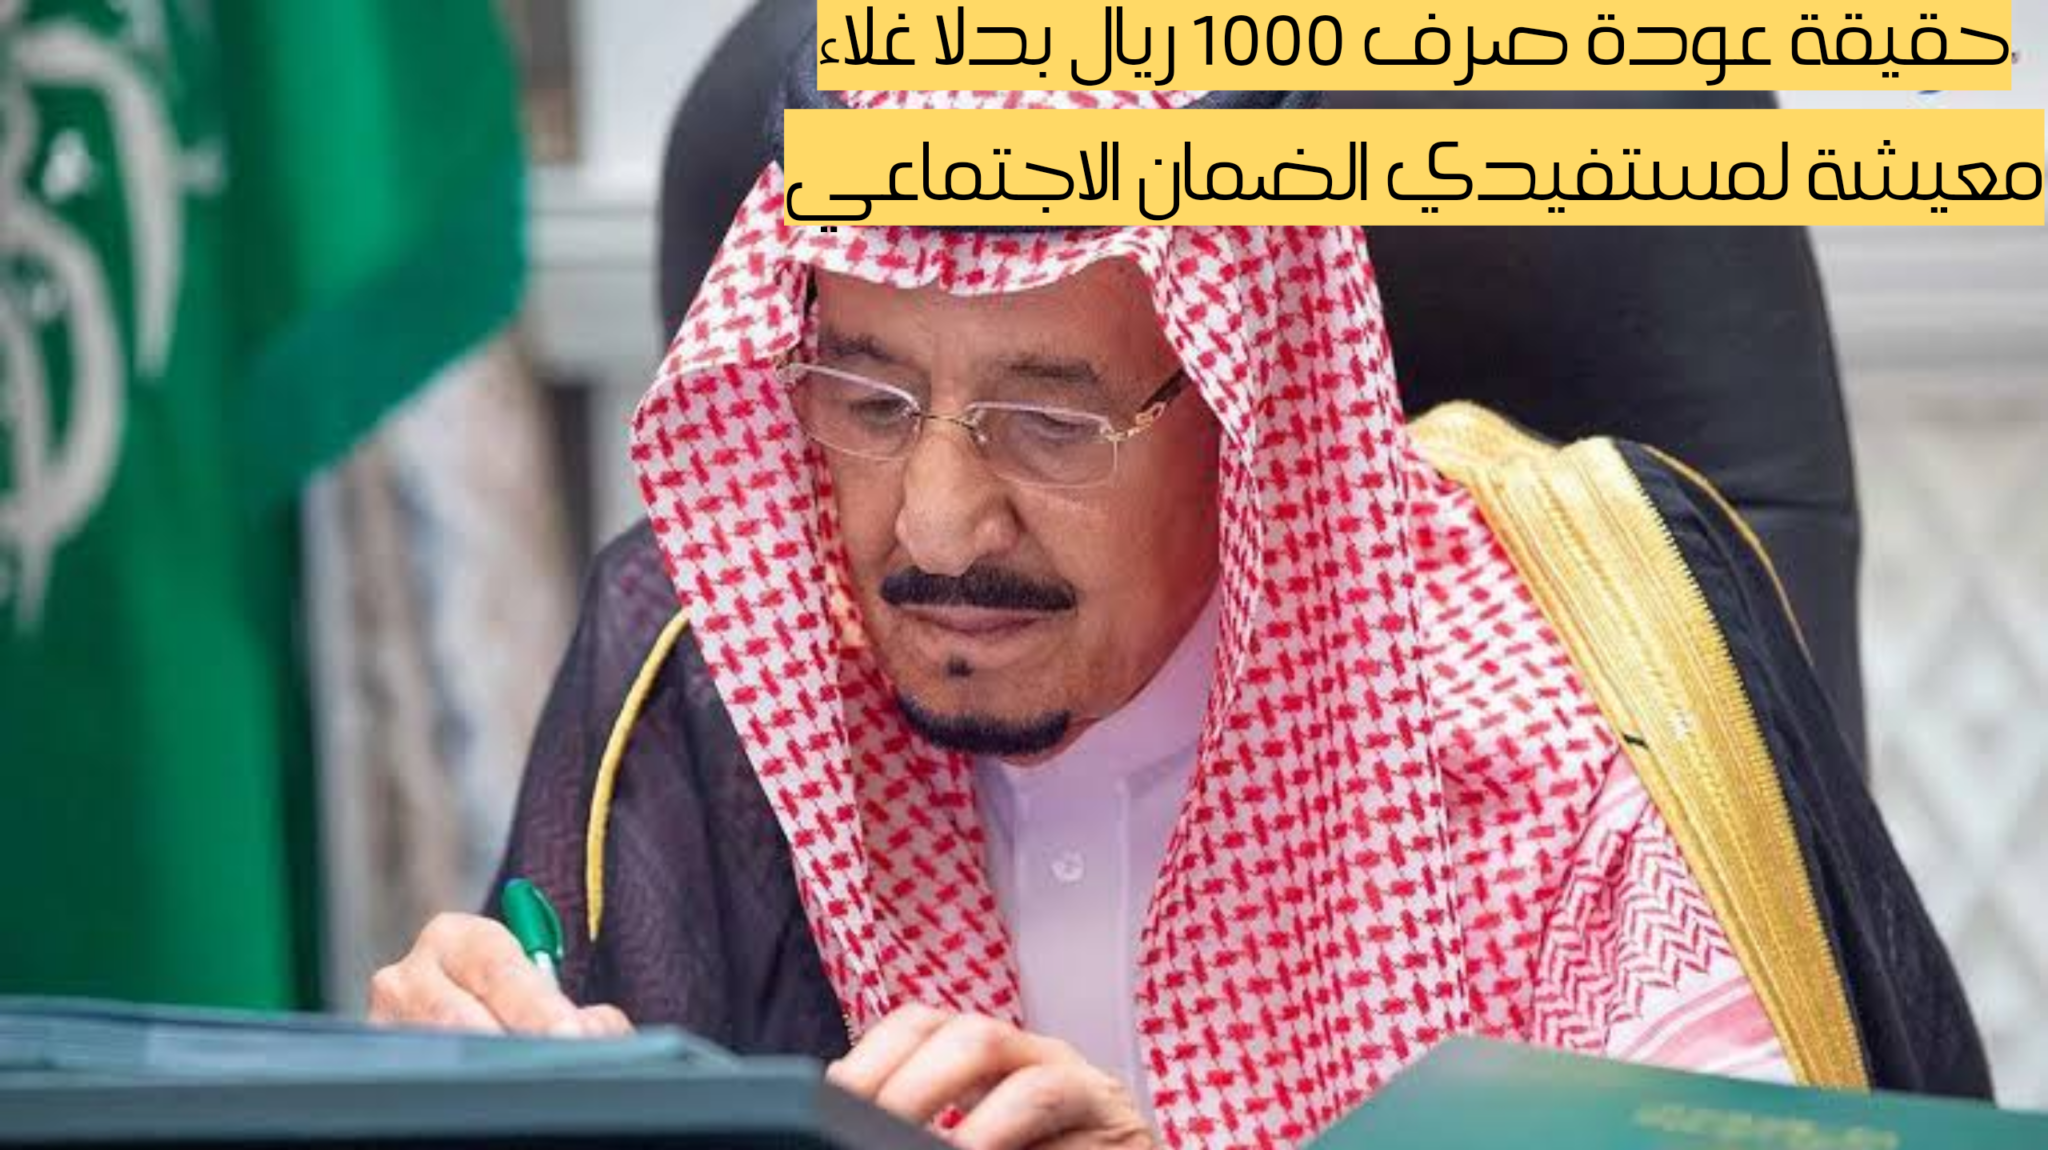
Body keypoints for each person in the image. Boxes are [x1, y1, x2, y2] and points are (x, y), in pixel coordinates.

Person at [368, 86, 1990, 1149]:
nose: (935, 522)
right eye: (865, 399)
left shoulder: (1569, 684)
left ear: (1247, 408)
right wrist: (446, 1096)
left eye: (1050, 420)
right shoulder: (717, 670)